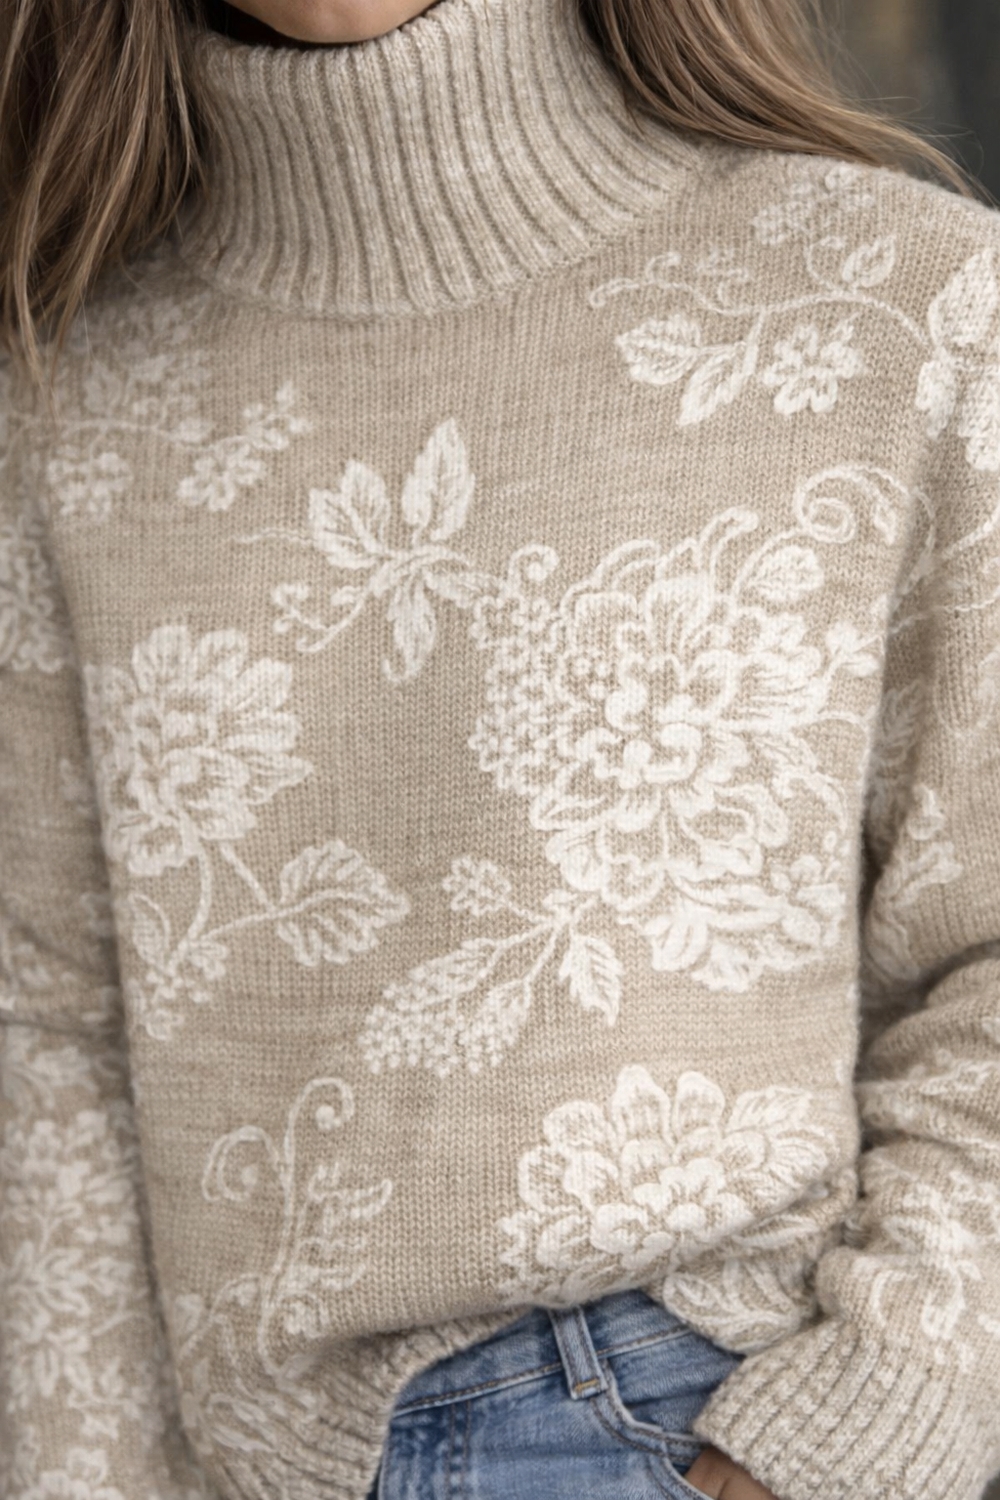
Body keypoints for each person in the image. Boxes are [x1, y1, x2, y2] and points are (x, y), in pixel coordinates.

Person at [1, 0, 999, 1497]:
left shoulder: (898, 307)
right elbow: (52, 1047)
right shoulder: (61, 405)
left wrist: (862, 1427)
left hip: (712, 1406)